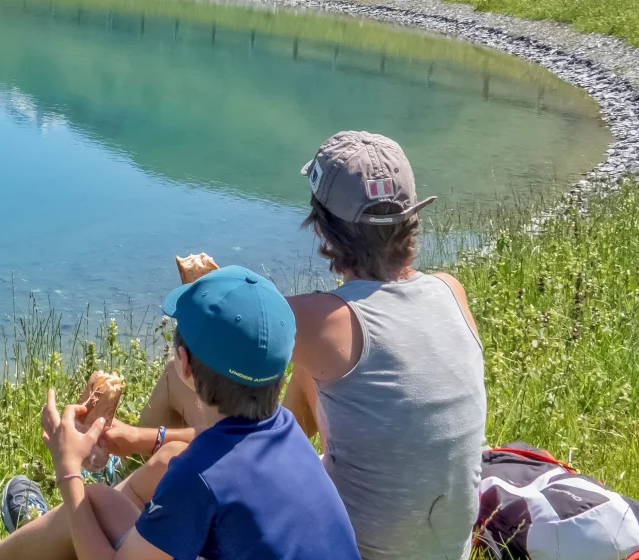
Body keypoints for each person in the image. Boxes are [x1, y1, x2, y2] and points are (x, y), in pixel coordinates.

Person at [119, 132, 487, 560]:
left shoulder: (325, 321)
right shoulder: (450, 291)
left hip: (344, 548)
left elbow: (239, 330)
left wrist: (210, 292)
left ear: (324, 228)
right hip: (447, 549)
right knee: (306, 369)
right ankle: (153, 455)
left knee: (187, 369)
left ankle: (119, 474)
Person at [0, 267, 362, 560]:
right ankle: (4, 548)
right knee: (100, 502)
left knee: (88, 502)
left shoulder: (198, 483)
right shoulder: (284, 430)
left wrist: (68, 467)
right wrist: (133, 438)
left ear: (184, 367)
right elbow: (208, 449)